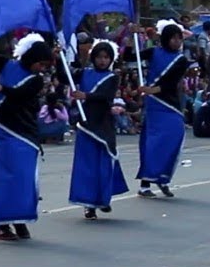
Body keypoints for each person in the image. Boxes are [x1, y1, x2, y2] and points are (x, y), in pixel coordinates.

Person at [0, 33, 53, 241]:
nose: (42, 68)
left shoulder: (36, 80)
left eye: (45, 65)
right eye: (40, 64)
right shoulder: (7, 65)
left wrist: (1, 88)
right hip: (6, 129)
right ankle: (0, 224)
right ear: (31, 58)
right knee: (6, 177)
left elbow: (20, 93)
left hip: (26, 132)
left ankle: (19, 219)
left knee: (25, 178)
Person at [69, 41, 128, 220]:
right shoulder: (84, 73)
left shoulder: (112, 77)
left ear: (110, 59)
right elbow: (65, 76)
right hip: (86, 125)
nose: (102, 61)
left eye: (106, 57)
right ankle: (89, 205)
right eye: (99, 57)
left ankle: (103, 198)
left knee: (104, 162)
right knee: (87, 166)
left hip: (103, 124)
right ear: (93, 58)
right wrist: (58, 59)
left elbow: (106, 96)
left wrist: (85, 95)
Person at [137, 21, 193, 198]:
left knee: (173, 138)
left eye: (179, 38)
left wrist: (152, 89)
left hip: (169, 103)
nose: (177, 41)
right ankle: (145, 184)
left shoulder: (181, 59)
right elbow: (132, 57)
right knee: (152, 143)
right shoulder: (153, 52)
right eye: (173, 38)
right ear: (166, 39)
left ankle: (163, 178)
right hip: (154, 105)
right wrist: (132, 38)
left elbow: (170, 82)